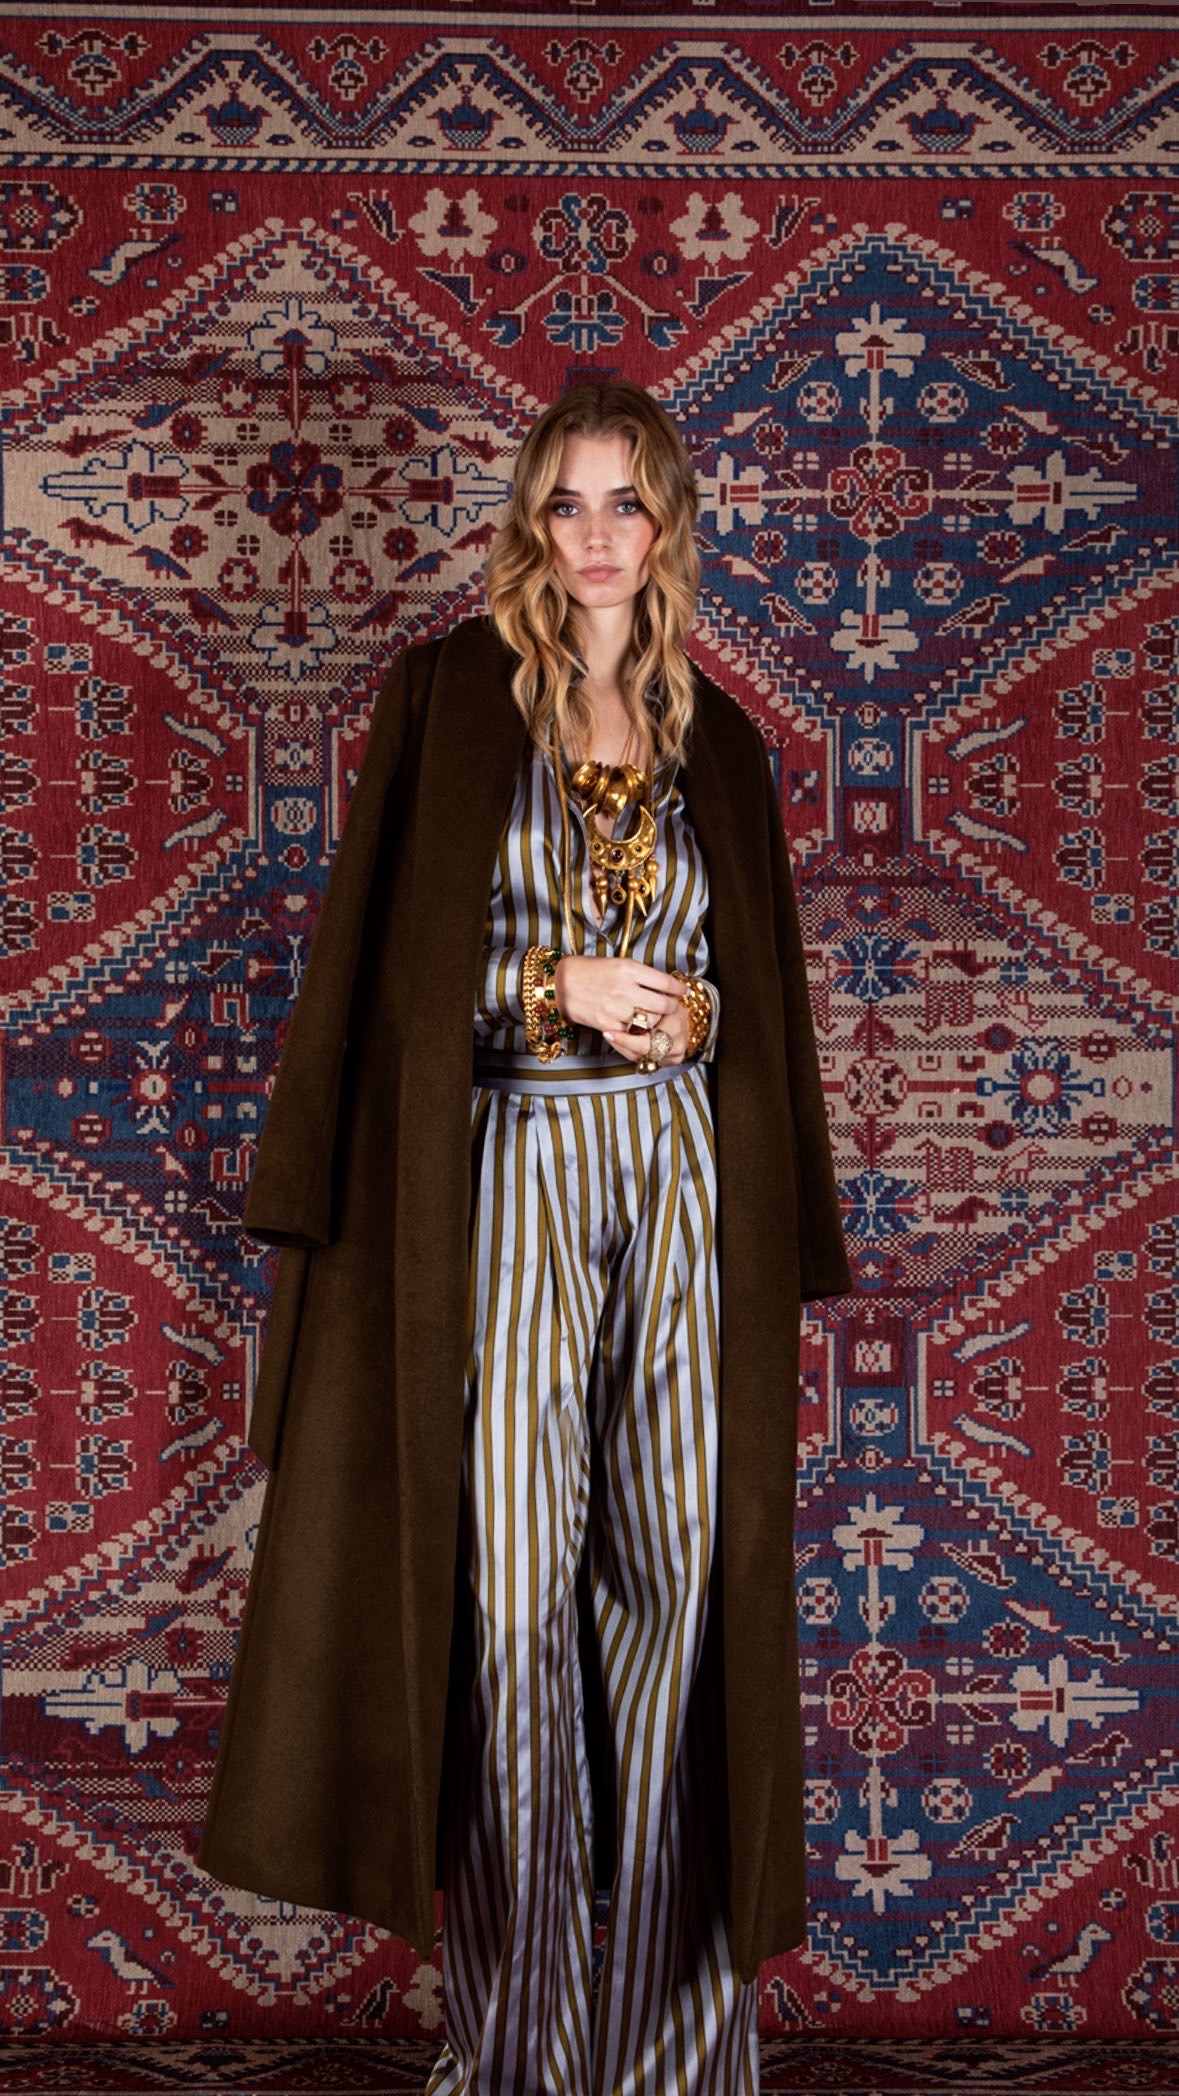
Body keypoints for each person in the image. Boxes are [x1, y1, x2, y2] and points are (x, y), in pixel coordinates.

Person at [195, 379, 852, 2093]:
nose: (597, 535)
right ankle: (522, 2053)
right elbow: (394, 975)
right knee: (513, 1608)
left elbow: (756, 1001)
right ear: (531, 525)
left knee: (682, 1587)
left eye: (627, 502)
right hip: (510, 1170)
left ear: (670, 521)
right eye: (568, 503)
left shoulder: (723, 741)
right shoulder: (447, 701)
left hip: (684, 1182)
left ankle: (674, 2055)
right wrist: (557, 983)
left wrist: (695, 1013)